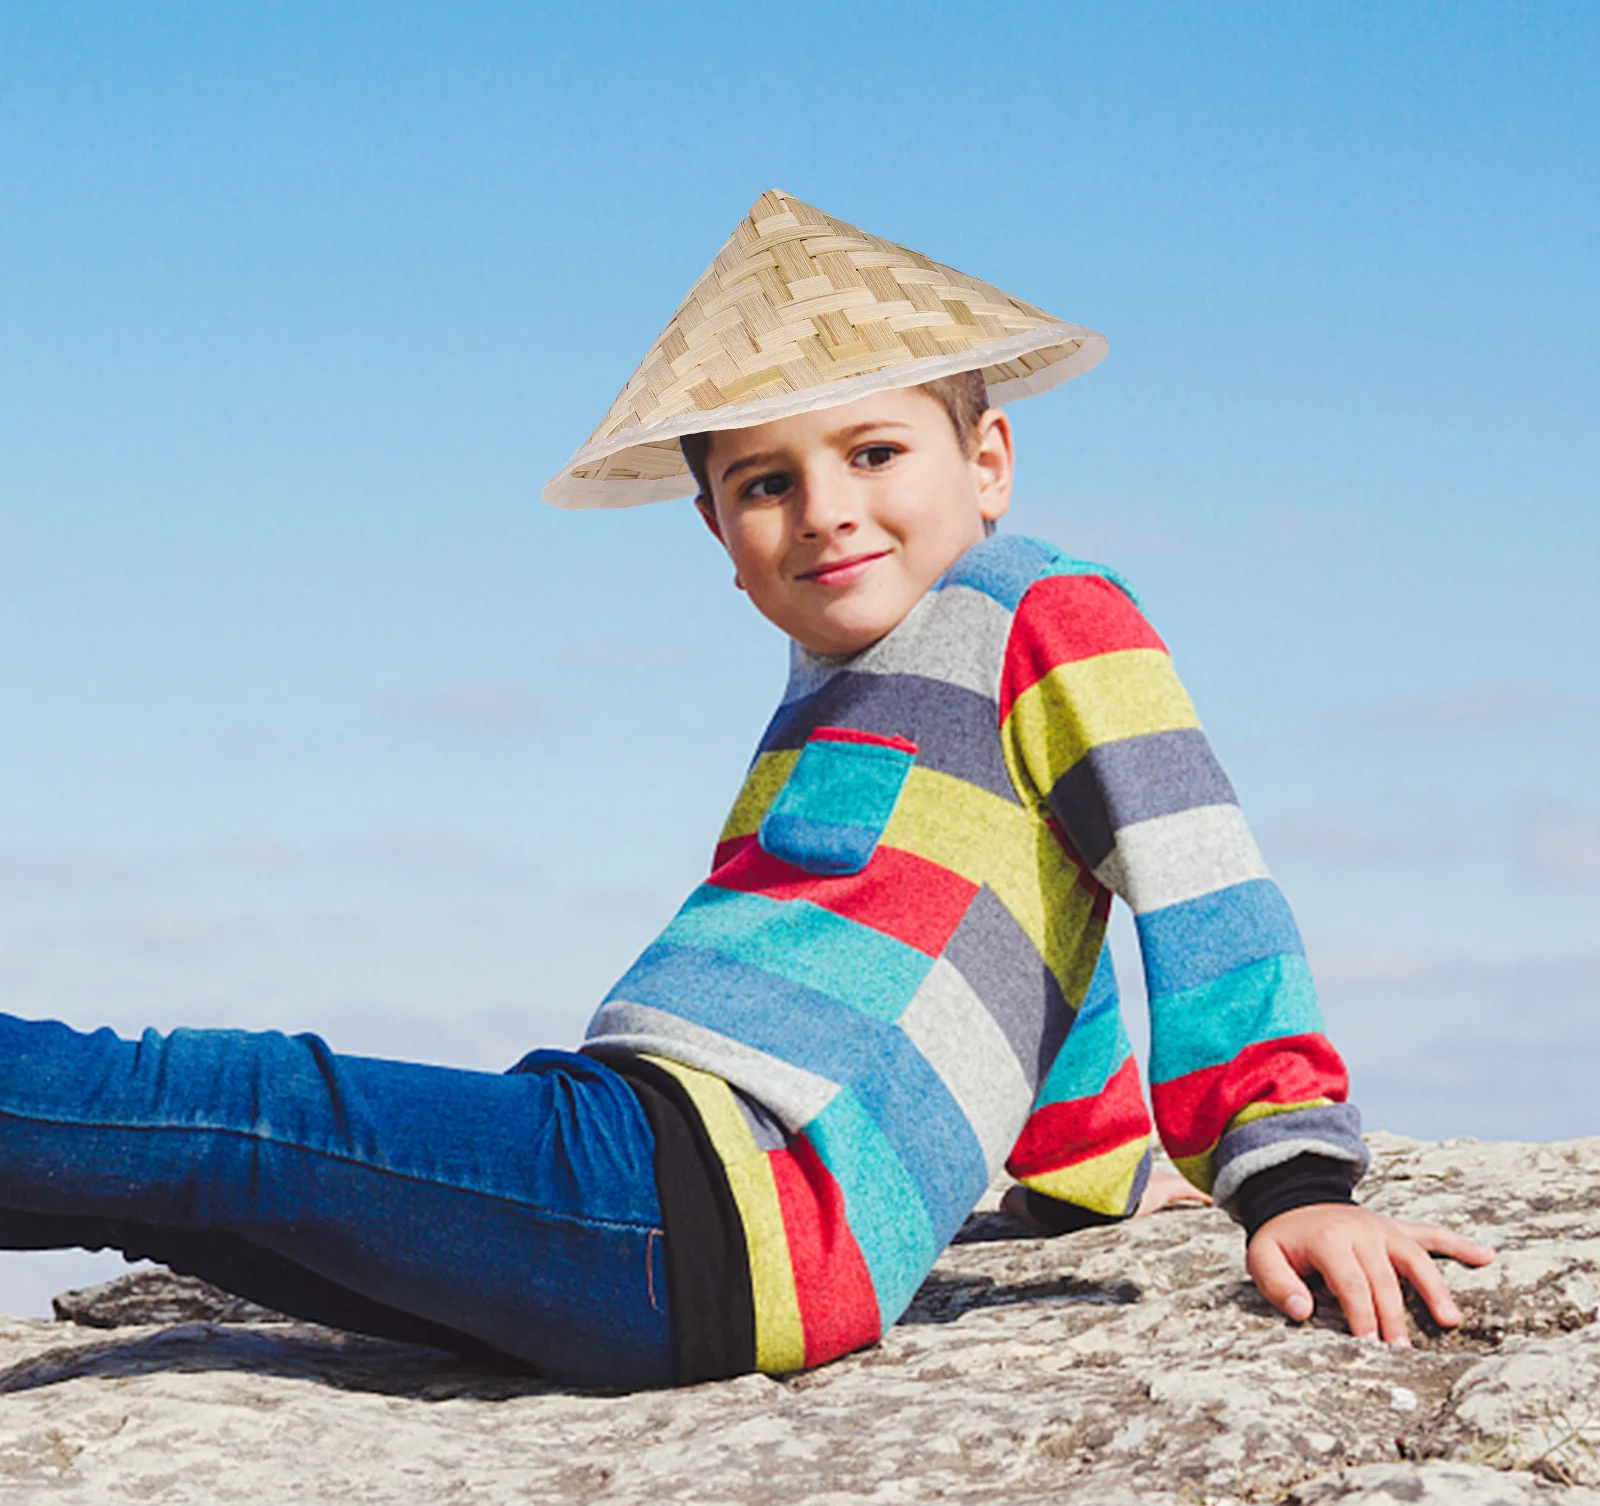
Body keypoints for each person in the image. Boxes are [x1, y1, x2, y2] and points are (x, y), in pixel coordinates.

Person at [0, 191, 1492, 1389]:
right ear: (716, 533)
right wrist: (1095, 1167)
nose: (824, 507)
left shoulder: (1045, 607)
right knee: (167, 1178)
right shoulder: (837, 691)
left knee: (229, 1100)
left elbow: (1191, 876)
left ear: (988, 462)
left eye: (872, 449)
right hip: (645, 1167)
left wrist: (1285, 1173)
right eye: (764, 481)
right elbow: (1044, 921)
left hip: (718, 1202)